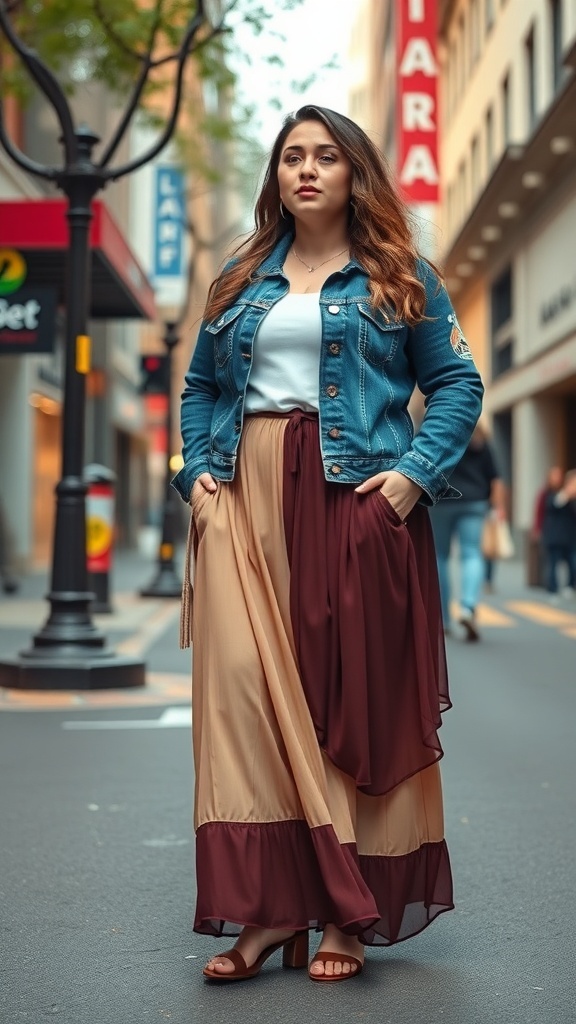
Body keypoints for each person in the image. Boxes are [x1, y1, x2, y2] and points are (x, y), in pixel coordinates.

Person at [172, 105, 483, 984]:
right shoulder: (240, 278)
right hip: (243, 491)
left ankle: (345, 916)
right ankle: (270, 912)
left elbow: (457, 382)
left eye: (325, 157)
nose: (306, 169)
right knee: (242, 699)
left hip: (355, 492)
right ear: (276, 176)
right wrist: (194, 472)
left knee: (344, 700)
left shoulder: (399, 274)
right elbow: (200, 386)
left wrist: (410, 479)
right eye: (291, 157)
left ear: (354, 174)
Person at [429, 422, 504, 641]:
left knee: (440, 557)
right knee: (471, 553)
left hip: (441, 501)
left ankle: (443, 619)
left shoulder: (438, 431)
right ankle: (468, 608)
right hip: (474, 502)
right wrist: (497, 509)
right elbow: (495, 478)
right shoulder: (481, 441)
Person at [540, 468, 576, 599]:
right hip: (554, 536)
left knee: (573, 563)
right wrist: (566, 493)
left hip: (570, 536)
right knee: (553, 564)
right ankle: (552, 589)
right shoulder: (550, 493)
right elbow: (553, 505)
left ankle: (570, 586)